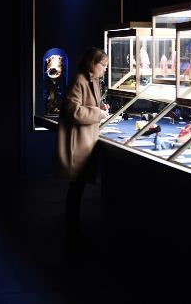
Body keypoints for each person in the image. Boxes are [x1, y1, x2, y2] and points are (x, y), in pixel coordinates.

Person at [54, 47, 110, 238]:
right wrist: (98, 113)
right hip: (78, 142)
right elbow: (72, 111)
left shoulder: (92, 80)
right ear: (92, 64)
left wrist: (99, 107)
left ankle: (73, 225)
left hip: (86, 140)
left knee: (78, 187)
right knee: (76, 187)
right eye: (103, 65)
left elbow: (86, 105)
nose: (105, 70)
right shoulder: (79, 80)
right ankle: (72, 227)